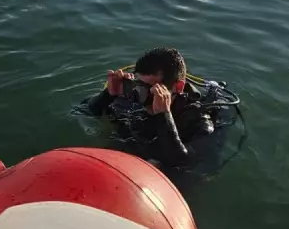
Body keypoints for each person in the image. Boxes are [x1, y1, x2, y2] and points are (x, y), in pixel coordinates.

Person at [85, 47, 231, 169]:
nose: (142, 96)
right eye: (139, 85)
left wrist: (163, 115)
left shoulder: (199, 120)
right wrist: (108, 95)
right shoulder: (137, 99)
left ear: (178, 87)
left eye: (151, 89)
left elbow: (184, 161)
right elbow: (85, 112)